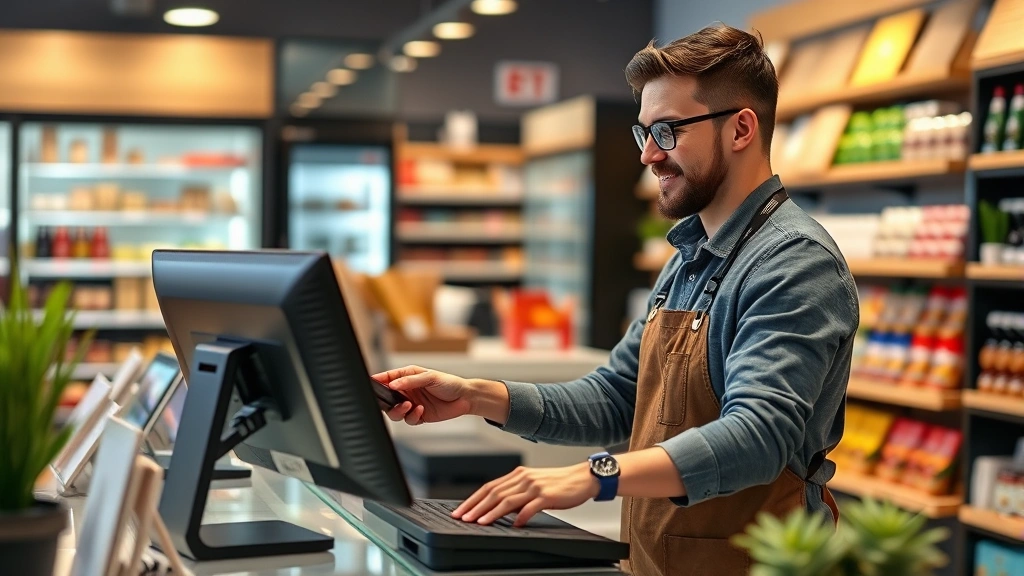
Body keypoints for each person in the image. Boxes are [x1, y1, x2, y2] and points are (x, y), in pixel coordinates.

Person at [375, 23, 858, 576]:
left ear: (741, 129)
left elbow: (759, 435)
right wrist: (476, 395)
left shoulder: (794, 262)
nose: (649, 155)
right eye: (644, 133)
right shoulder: (688, 260)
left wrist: (593, 474)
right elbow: (616, 399)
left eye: (669, 131)